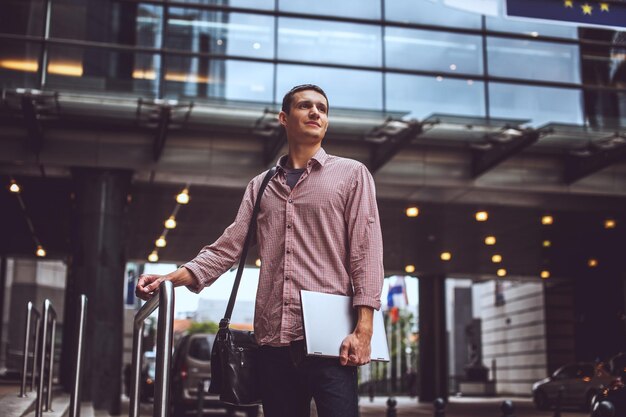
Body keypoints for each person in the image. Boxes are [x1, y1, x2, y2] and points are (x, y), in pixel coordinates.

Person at [136, 84, 384, 417]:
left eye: (322, 109)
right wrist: (169, 278)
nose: (315, 113)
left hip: (332, 342)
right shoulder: (261, 185)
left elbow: (366, 254)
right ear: (284, 118)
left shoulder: (352, 175)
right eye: (305, 106)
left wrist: (364, 329)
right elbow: (227, 248)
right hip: (273, 341)